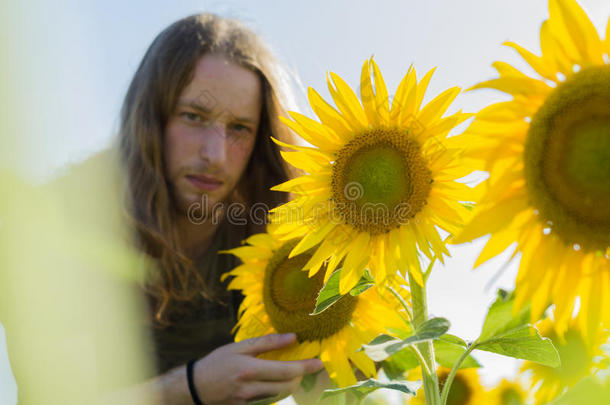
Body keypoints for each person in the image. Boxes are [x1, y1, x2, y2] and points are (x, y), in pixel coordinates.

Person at [100, 12, 323, 404]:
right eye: (194, 117)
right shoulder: (69, 225)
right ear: (150, 118)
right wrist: (192, 387)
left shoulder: (280, 237)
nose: (215, 156)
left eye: (239, 128)